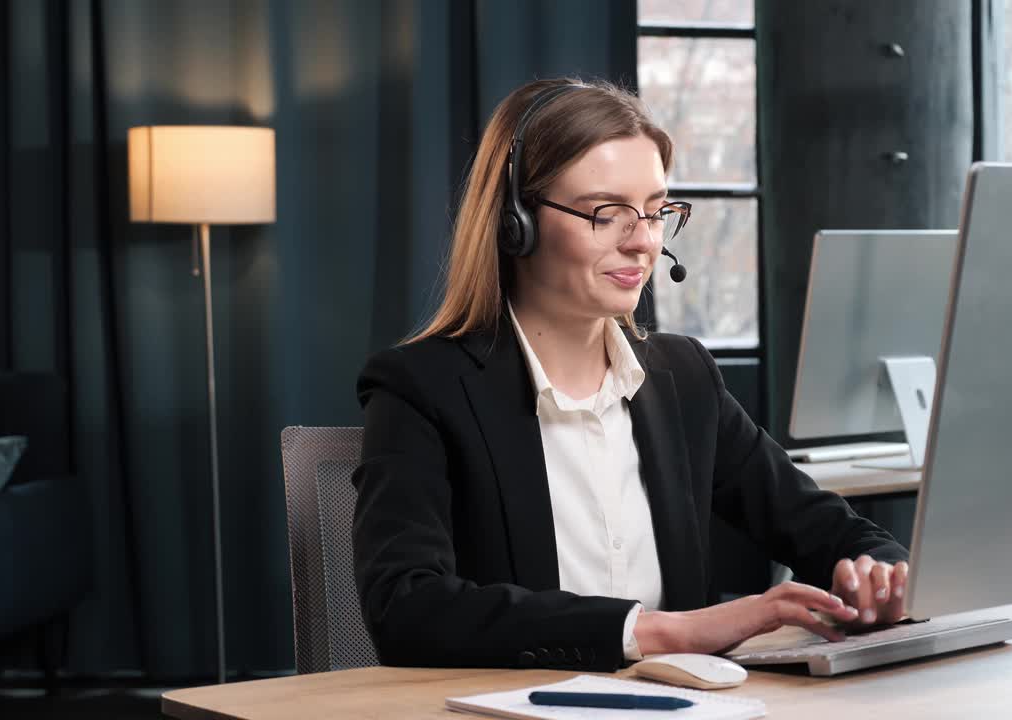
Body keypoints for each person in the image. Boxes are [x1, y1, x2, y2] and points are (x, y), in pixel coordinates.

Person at [352, 77, 910, 672]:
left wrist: (872, 576)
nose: (643, 242)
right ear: (516, 221)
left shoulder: (685, 379)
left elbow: (833, 532)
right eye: (606, 213)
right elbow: (407, 608)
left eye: (654, 212)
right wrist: (663, 632)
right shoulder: (422, 387)